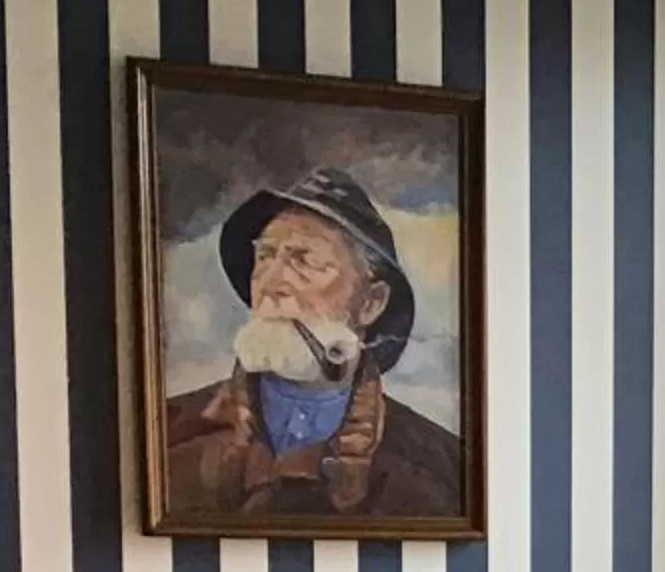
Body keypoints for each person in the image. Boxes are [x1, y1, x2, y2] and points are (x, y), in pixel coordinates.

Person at [159, 167, 464, 522]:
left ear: (371, 303)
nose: (271, 283)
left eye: (304, 260)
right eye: (265, 256)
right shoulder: (167, 432)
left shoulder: (440, 467)